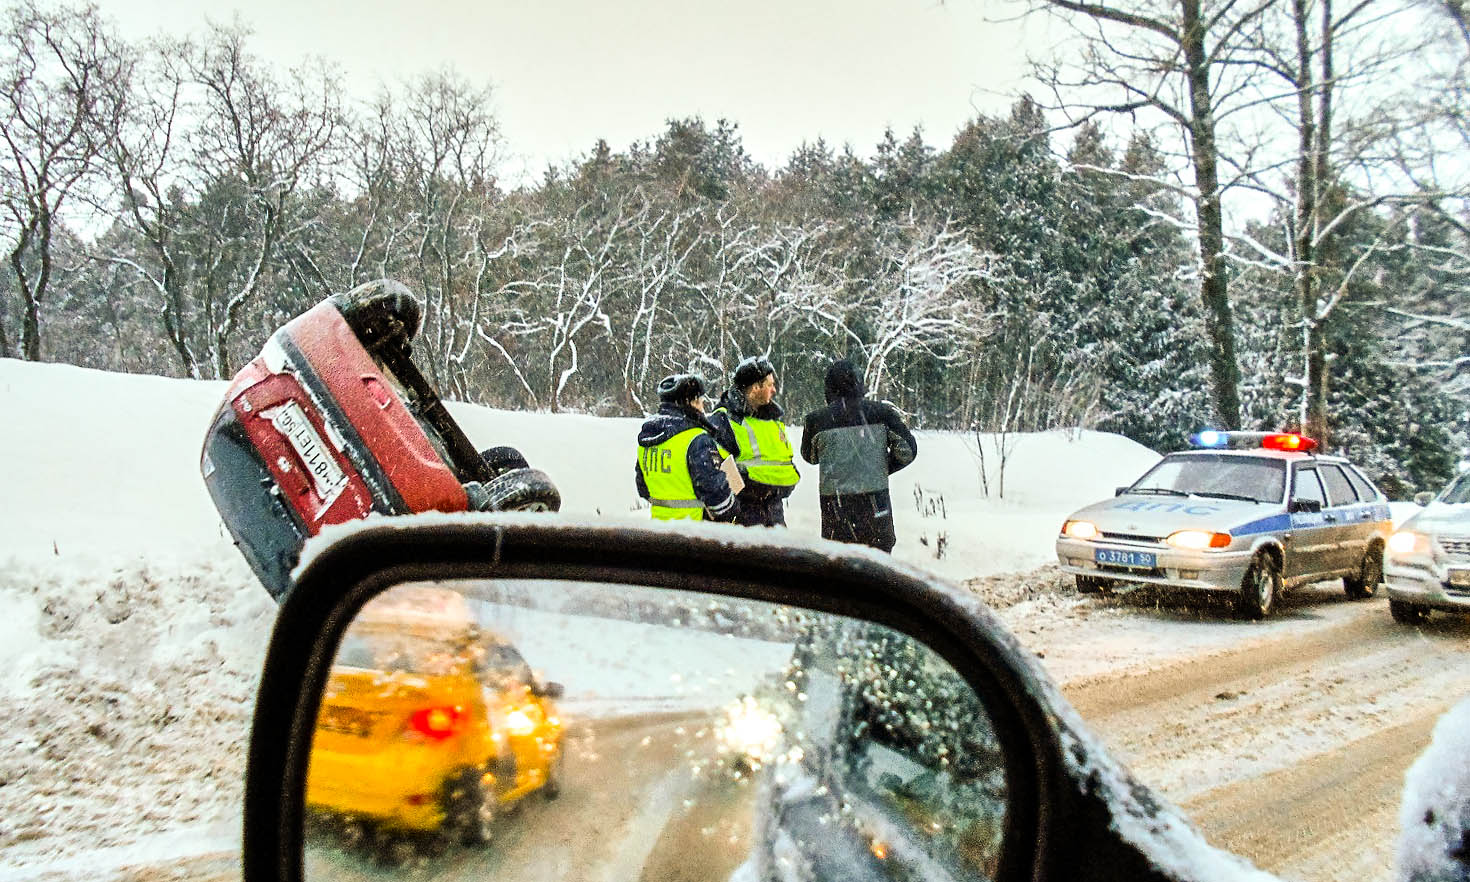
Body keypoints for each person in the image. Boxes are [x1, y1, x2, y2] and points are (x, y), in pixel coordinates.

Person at [800, 359, 917, 552]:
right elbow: (908, 451)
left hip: (835, 512)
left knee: (839, 571)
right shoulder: (882, 414)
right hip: (876, 509)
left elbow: (810, 457)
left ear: (829, 387)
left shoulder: (816, 421)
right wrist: (881, 467)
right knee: (878, 571)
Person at [708, 357, 801, 527]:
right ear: (755, 387)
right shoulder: (723, 420)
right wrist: (753, 490)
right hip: (743, 519)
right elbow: (717, 471)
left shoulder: (774, 421)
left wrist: (776, 489)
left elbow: (788, 465)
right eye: (769, 385)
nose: (774, 390)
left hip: (775, 516)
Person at [635, 373, 740, 522]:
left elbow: (643, 489)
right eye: (701, 402)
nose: (703, 408)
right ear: (692, 402)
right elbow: (715, 493)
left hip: (658, 529)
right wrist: (734, 507)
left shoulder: (648, 439)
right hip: (692, 530)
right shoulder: (697, 440)